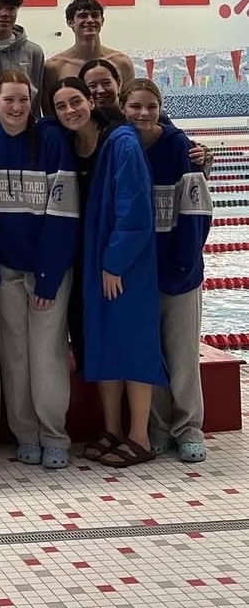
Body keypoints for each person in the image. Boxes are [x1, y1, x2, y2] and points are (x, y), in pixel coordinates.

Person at [49, 77, 167, 467]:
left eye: (76, 101)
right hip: (90, 260)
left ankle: (140, 436)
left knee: (131, 343)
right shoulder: (68, 141)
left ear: (92, 101)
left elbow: (134, 208)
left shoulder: (121, 142)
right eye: (61, 105)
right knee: (101, 343)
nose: (70, 110)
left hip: (122, 263)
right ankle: (112, 429)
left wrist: (115, 263)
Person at [0, 70, 79, 470]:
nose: (15, 107)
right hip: (6, 270)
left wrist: (49, 277)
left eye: (22, 100)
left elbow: (63, 214)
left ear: (31, 102)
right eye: (8, 100)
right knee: (14, 355)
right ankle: (26, 433)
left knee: (47, 355)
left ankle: (55, 434)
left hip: (47, 270)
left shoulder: (51, 142)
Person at [125, 78, 214, 463]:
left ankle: (189, 426)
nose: (143, 114)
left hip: (179, 270)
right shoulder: (122, 147)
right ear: (124, 108)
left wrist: (186, 261)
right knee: (151, 352)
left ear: (160, 108)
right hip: (139, 273)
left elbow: (196, 211)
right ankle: (159, 424)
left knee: (181, 352)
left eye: (150, 106)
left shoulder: (180, 147)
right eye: (135, 107)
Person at [42, 0, 135, 114]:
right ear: (70, 22)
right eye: (83, 16)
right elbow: (49, 112)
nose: (90, 20)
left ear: (102, 21)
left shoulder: (122, 62)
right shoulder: (54, 66)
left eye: (95, 15)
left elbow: (130, 105)